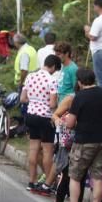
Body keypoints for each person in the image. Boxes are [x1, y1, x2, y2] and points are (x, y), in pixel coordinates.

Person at [60, 69, 102, 202]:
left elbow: (70, 124)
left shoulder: (80, 97)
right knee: (98, 177)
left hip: (84, 141)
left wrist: (67, 122)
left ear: (80, 81)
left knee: (75, 176)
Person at [21, 55, 61, 194]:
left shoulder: (30, 76)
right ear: (54, 67)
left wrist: (34, 102)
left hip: (31, 115)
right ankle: (49, 185)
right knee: (47, 152)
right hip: (45, 118)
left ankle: (31, 182)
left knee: (33, 150)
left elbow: (23, 98)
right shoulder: (52, 80)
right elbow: (52, 103)